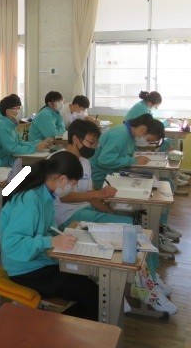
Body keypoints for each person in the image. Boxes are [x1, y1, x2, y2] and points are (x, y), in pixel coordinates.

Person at [57, 119, 176, 314]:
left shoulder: (85, 162)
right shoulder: (60, 160)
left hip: (83, 209)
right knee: (130, 229)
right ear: (76, 139)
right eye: (91, 142)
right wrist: (98, 195)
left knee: (133, 225)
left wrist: (109, 211)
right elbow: (64, 197)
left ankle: (150, 279)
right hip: (67, 216)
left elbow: (90, 195)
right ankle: (145, 287)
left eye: (96, 143)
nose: (94, 148)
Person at [0, 150, 99, 320]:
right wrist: (51, 241)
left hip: (39, 261)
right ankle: (54, 328)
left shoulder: (46, 195)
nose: (73, 188)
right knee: (94, 295)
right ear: (62, 179)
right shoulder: (30, 199)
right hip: (25, 269)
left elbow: (47, 228)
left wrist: (62, 238)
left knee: (91, 285)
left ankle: (62, 327)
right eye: (73, 184)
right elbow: (12, 245)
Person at [89, 113, 180, 252]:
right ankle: (152, 230)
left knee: (162, 185)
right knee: (149, 193)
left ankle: (159, 227)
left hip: (115, 172)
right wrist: (133, 161)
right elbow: (104, 160)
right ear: (143, 130)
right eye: (149, 139)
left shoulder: (129, 136)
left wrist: (134, 160)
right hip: (103, 177)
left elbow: (124, 156)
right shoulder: (120, 134)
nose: (147, 142)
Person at [0, 95, 50, 168]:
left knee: (38, 165)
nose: (20, 111)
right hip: (2, 163)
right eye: (17, 108)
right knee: (36, 167)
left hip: (11, 159)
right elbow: (12, 149)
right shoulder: (1, 125)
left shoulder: (10, 124)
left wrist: (39, 143)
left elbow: (20, 142)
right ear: (8, 111)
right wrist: (35, 148)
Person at [125, 90, 177, 157]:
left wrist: (165, 122)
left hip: (133, 133)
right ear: (150, 103)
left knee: (166, 141)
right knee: (166, 143)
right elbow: (152, 126)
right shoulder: (143, 109)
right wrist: (166, 122)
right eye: (155, 107)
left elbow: (151, 123)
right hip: (134, 135)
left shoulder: (142, 105)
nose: (155, 108)